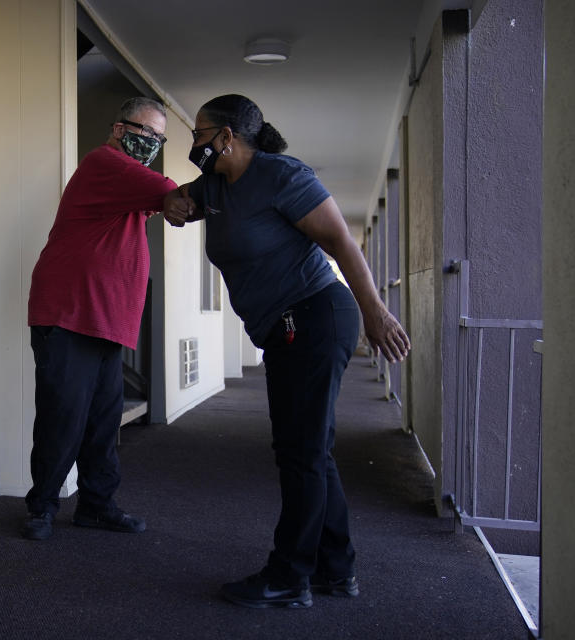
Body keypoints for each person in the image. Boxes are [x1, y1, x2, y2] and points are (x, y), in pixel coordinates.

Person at [162, 94, 410, 608]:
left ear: (227, 137)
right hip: (284, 327)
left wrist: (376, 313)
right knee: (308, 449)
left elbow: (342, 242)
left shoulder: (281, 175)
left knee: (301, 454)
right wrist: (173, 202)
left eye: (200, 134)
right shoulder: (215, 185)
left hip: (316, 315)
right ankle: (335, 570)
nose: (194, 144)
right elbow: (178, 200)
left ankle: (289, 576)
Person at [22, 97, 177, 541]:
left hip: (106, 319)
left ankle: (95, 505)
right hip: (70, 312)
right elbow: (170, 194)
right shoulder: (104, 162)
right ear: (117, 128)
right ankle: (43, 508)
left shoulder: (128, 186)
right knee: (62, 416)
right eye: (142, 130)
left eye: (157, 137)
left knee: (104, 421)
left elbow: (159, 204)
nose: (149, 141)